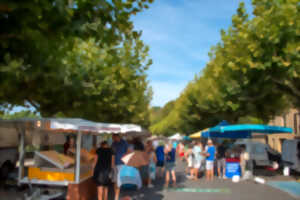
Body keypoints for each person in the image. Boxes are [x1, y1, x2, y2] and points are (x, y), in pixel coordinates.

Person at [111, 134, 128, 200]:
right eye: (112, 138)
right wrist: (112, 165)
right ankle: (116, 195)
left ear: (117, 136)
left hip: (121, 164)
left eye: (113, 137)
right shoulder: (113, 143)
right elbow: (112, 154)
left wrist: (125, 159)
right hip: (115, 164)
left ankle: (116, 196)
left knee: (118, 180)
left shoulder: (124, 142)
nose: (113, 139)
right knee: (115, 180)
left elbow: (128, 151)